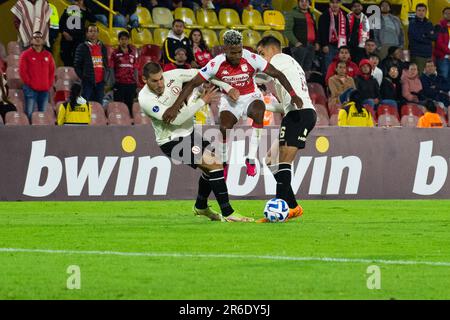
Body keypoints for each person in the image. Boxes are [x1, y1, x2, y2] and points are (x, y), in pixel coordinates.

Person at [163, 30, 303, 179]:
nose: (237, 56)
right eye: (233, 53)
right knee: (224, 128)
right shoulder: (216, 63)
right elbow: (192, 84)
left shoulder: (252, 58)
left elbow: (278, 74)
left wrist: (293, 95)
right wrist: (174, 107)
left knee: (259, 110)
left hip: (251, 95)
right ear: (225, 49)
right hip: (230, 101)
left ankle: (250, 159)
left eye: (239, 51)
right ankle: (224, 162)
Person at [138, 62, 253, 222]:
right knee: (213, 164)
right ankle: (228, 213)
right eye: (154, 81)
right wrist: (201, 101)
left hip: (190, 133)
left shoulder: (174, 76)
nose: (160, 84)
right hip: (171, 140)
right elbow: (176, 120)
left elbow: (204, 73)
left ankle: (201, 206)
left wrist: (227, 87)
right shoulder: (145, 99)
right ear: (144, 79)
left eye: (161, 79)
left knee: (213, 165)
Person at [255, 36, 317, 223]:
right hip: (296, 113)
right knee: (270, 159)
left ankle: (279, 210)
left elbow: (262, 76)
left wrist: (242, 76)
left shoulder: (279, 60)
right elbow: (286, 106)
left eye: (261, 53)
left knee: (284, 162)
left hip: (300, 114)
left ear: (272, 49)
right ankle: (293, 206)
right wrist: (265, 105)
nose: (260, 57)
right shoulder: (288, 66)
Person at [18, 31, 55, 120]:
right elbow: (22, 72)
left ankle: (41, 132)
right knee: (29, 113)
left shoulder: (48, 55)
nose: (37, 39)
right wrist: (30, 84)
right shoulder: (25, 54)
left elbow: (52, 71)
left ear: (43, 41)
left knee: (42, 114)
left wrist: (48, 84)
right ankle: (29, 133)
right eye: (35, 37)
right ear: (31, 41)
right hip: (30, 89)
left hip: (44, 90)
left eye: (40, 37)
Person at [74, 24, 108, 103]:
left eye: (95, 31)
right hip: (87, 82)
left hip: (100, 82)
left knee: (99, 105)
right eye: (91, 31)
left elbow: (106, 63)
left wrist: (104, 77)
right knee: (85, 104)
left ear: (98, 33)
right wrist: (84, 77)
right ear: (87, 34)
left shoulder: (103, 47)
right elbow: (77, 65)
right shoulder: (82, 47)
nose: (93, 33)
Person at [285, 0, 319, 72]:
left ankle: (305, 83)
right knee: (297, 69)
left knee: (307, 69)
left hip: (311, 46)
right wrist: (296, 43)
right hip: (299, 46)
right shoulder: (292, 13)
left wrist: (316, 42)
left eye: (306, 1)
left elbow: (315, 30)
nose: (304, 3)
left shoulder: (312, 14)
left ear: (309, 3)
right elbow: (288, 31)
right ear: (298, 3)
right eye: (302, 1)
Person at [110, 31, 139, 117]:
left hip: (130, 84)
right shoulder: (115, 53)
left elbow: (135, 69)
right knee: (118, 105)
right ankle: (118, 121)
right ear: (119, 40)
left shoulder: (132, 54)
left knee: (130, 105)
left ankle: (129, 124)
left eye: (126, 39)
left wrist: (136, 82)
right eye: (122, 39)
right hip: (119, 84)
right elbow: (111, 68)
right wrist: (113, 82)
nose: (124, 41)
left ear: (128, 40)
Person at [59, 0, 95, 67]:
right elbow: (61, 23)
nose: (79, 2)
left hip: (79, 38)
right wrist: (64, 33)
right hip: (67, 37)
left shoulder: (85, 10)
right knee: (66, 58)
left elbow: (93, 19)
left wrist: (84, 9)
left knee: (78, 59)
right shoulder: (70, 9)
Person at [318, 0, 350, 74]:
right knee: (328, 67)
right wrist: (324, 44)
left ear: (340, 4)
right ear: (329, 4)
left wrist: (345, 45)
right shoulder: (324, 15)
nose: (335, 5)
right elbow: (321, 31)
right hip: (329, 46)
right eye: (332, 2)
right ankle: (328, 84)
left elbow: (347, 31)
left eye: (337, 2)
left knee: (342, 66)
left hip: (341, 46)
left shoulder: (344, 15)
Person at [408, 3, 437, 75]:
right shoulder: (412, 23)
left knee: (429, 75)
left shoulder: (429, 23)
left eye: (423, 10)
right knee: (420, 76)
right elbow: (417, 37)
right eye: (419, 10)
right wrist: (428, 36)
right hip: (417, 55)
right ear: (416, 11)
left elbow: (434, 37)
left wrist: (425, 35)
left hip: (428, 54)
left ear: (426, 12)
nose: (421, 12)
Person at [434, 7, 450, 80]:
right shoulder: (439, 26)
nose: (448, 15)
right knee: (444, 78)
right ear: (443, 15)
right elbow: (439, 43)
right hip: (443, 58)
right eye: (446, 13)